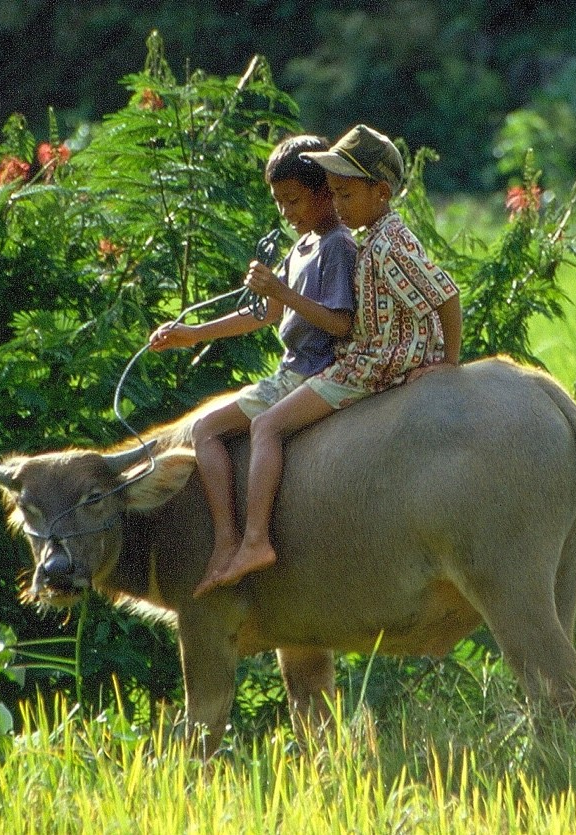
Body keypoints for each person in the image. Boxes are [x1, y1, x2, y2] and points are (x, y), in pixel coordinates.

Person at [198, 123, 462, 595]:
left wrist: (449, 362)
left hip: (365, 363)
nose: (338, 206)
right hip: (358, 355)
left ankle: (253, 539)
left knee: (267, 426)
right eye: (334, 194)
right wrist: (193, 333)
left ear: (379, 193)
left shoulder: (374, 244)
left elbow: (439, 296)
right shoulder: (354, 241)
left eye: (342, 194)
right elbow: (273, 312)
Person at [148, 135, 356, 598]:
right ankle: (232, 539)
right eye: (280, 202)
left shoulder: (337, 246)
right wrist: (193, 333)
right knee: (209, 427)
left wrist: (281, 292)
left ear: (325, 190)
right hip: (292, 367)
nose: (286, 211)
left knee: (209, 430)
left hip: (313, 369)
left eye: (294, 200)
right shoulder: (303, 245)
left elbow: (340, 323)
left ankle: (241, 540)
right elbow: (265, 314)